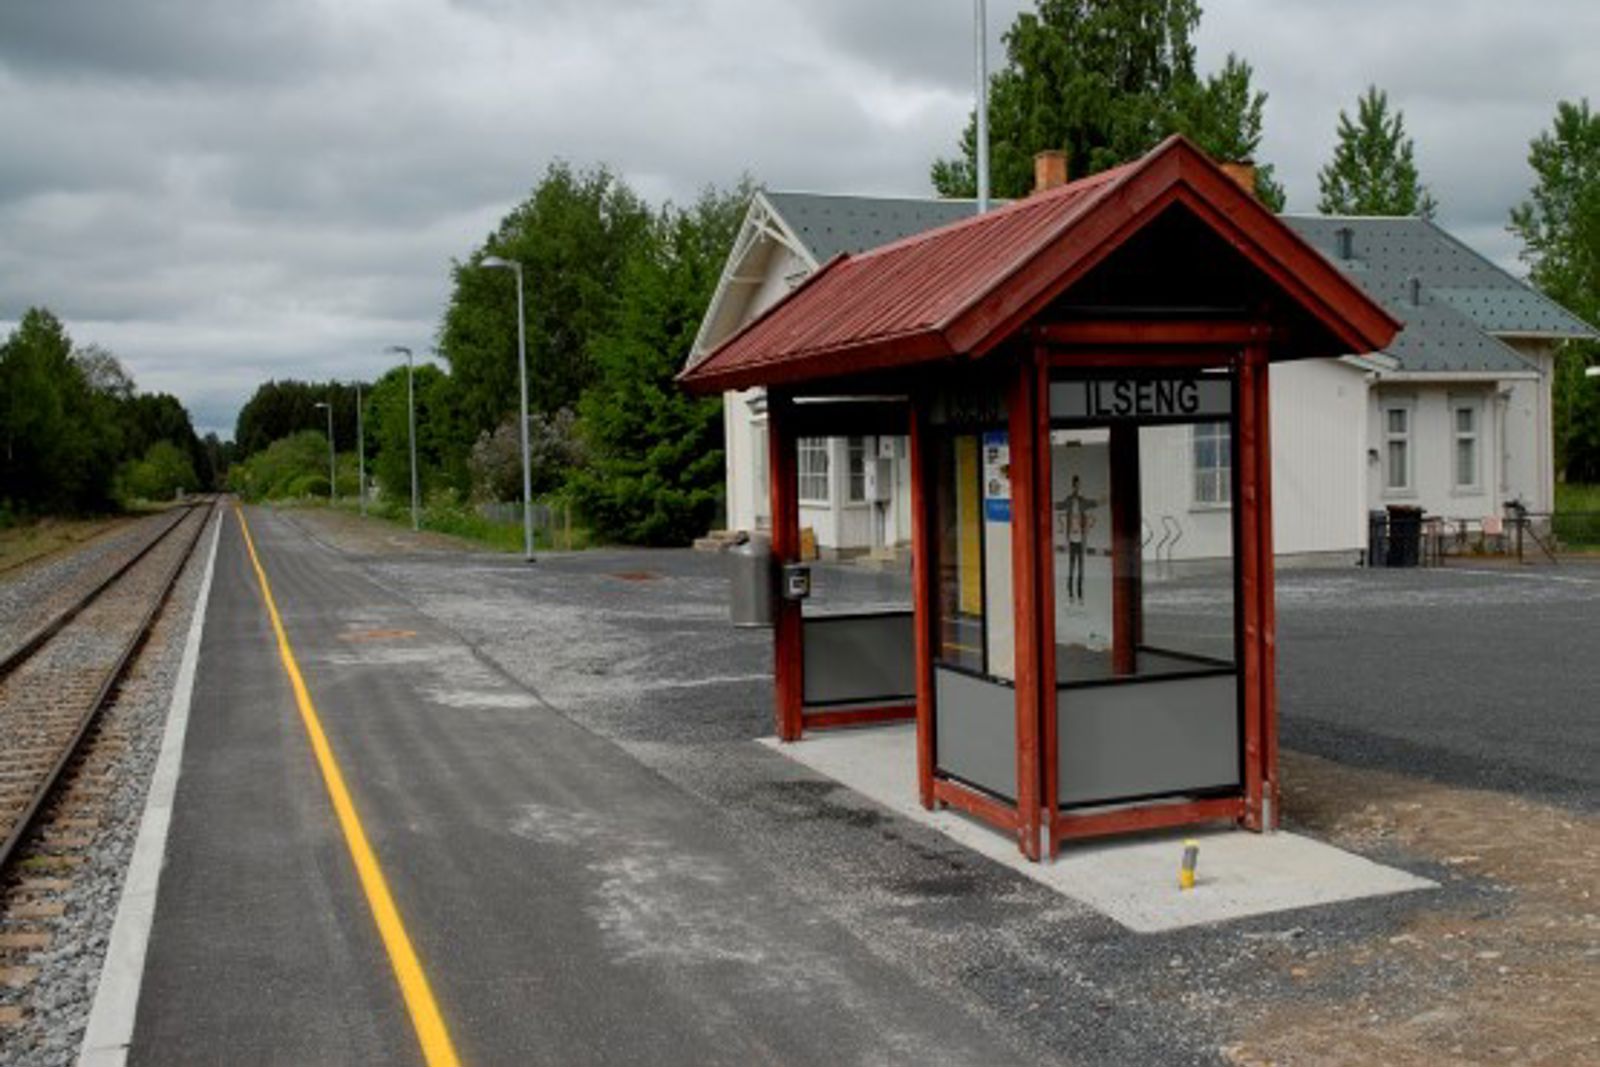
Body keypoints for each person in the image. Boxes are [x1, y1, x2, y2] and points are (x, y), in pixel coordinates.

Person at [1059, 475, 1097, 602]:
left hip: (1080, 540)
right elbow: (1060, 506)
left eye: (1079, 484)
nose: (1078, 487)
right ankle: (1070, 593)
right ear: (1073, 486)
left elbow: (1091, 504)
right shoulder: (1069, 500)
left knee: (1080, 569)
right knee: (1071, 567)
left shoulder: (1082, 501)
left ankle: (1080, 594)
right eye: (1076, 484)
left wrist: (1101, 501)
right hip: (1071, 540)